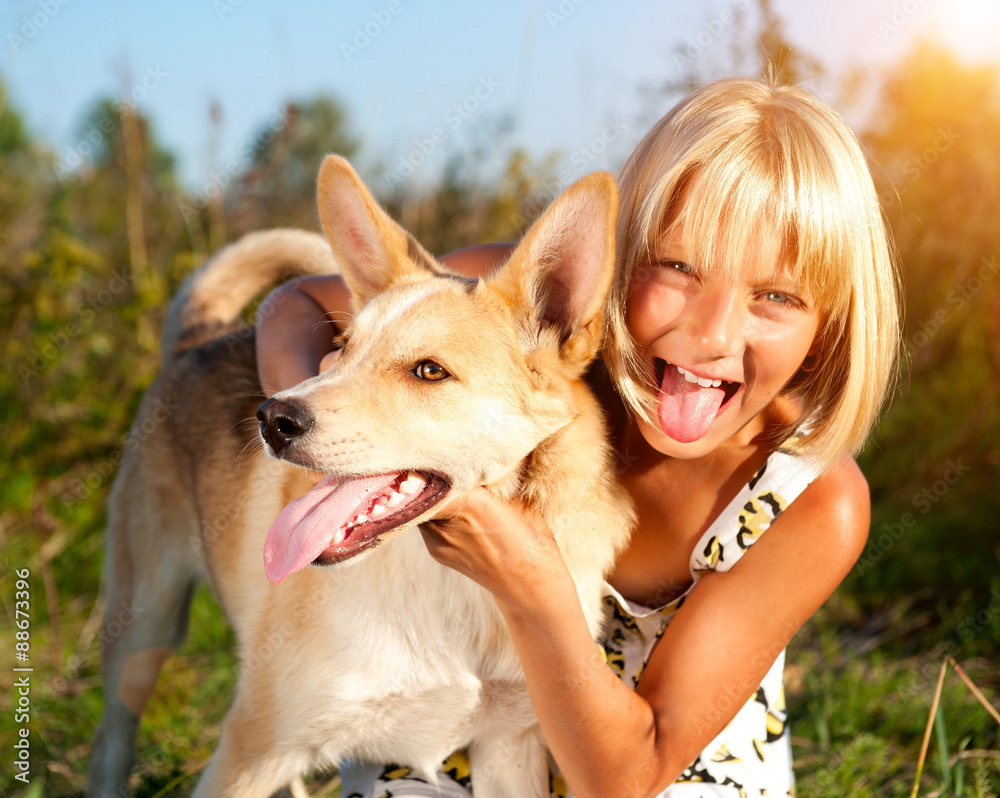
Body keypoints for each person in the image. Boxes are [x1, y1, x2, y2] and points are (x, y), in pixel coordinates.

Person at [254, 76, 900, 798]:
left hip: (662, 758)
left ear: (825, 334)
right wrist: (353, 416)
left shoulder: (812, 503)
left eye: (776, 297)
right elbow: (296, 304)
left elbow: (624, 778)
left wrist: (529, 581)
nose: (712, 334)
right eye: (679, 268)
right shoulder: (535, 318)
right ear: (615, 261)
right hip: (468, 705)